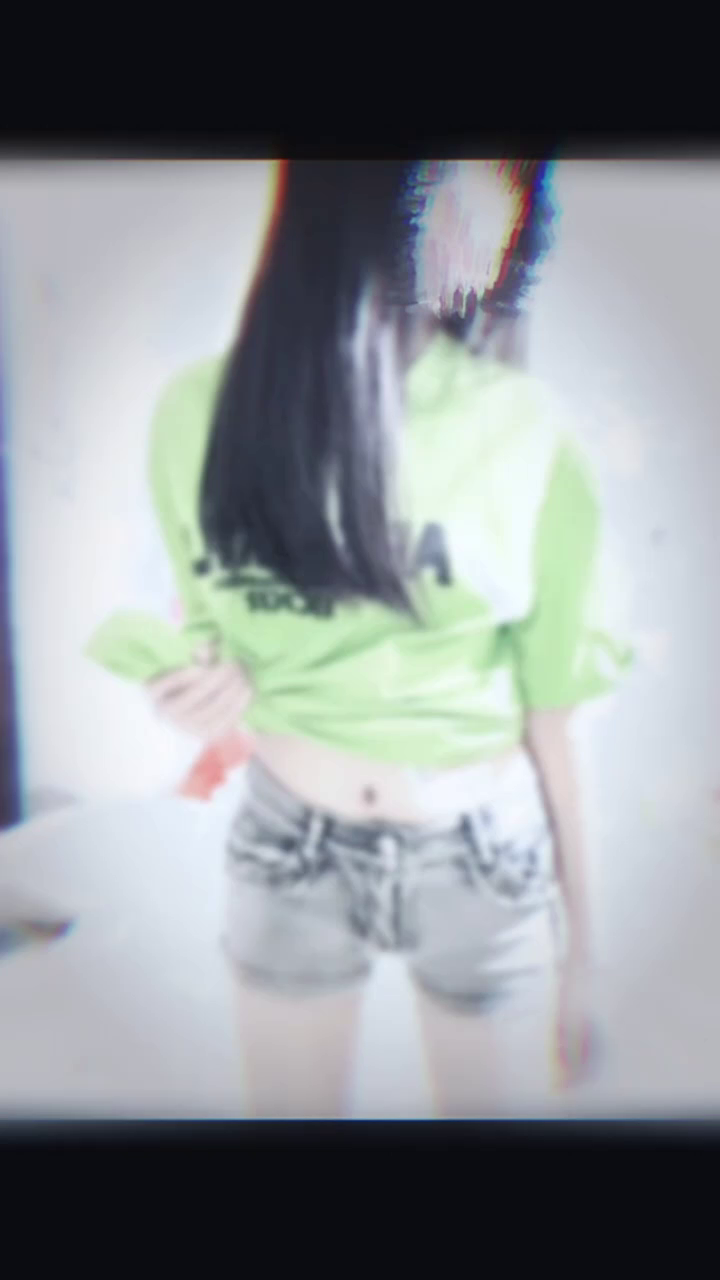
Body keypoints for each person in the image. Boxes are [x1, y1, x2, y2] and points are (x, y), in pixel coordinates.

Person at [129, 160, 634, 1117]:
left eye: (514, 183)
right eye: (466, 168)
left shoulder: (528, 429)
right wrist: (192, 689)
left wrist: (588, 957)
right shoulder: (198, 413)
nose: (498, 212)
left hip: (481, 856)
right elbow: (212, 641)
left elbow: (556, 715)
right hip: (290, 844)